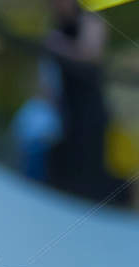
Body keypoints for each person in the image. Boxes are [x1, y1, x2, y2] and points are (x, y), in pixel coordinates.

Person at [42, 0, 124, 204]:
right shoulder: (56, 28)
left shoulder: (90, 21)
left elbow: (90, 55)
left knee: (89, 170)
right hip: (65, 113)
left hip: (89, 112)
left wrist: (58, 46)